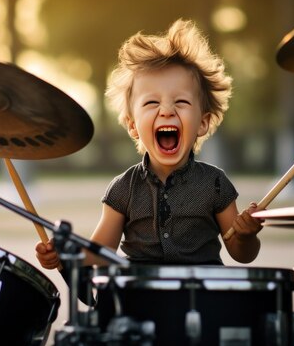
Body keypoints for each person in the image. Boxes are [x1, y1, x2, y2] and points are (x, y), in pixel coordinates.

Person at [36, 19, 262, 269]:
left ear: (203, 122)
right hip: (139, 301)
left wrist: (245, 235)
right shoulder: (123, 189)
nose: (166, 110)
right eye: (152, 103)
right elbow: (101, 252)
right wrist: (64, 257)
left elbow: (243, 254)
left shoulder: (215, 184)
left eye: (181, 102)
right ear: (132, 125)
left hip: (202, 300)